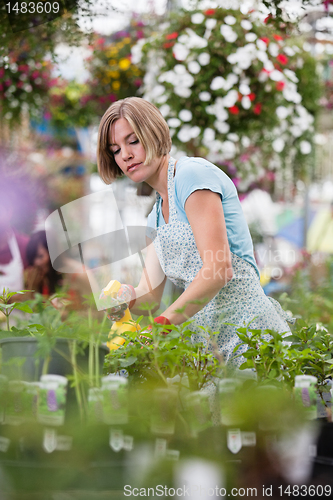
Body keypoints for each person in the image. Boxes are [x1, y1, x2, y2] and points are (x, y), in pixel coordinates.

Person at [97, 97, 294, 368]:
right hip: (208, 343)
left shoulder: (191, 176)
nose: (125, 155)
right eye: (115, 149)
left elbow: (218, 269)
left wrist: (161, 327)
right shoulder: (156, 213)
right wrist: (124, 297)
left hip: (248, 334)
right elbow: (150, 294)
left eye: (133, 141)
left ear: (153, 133)